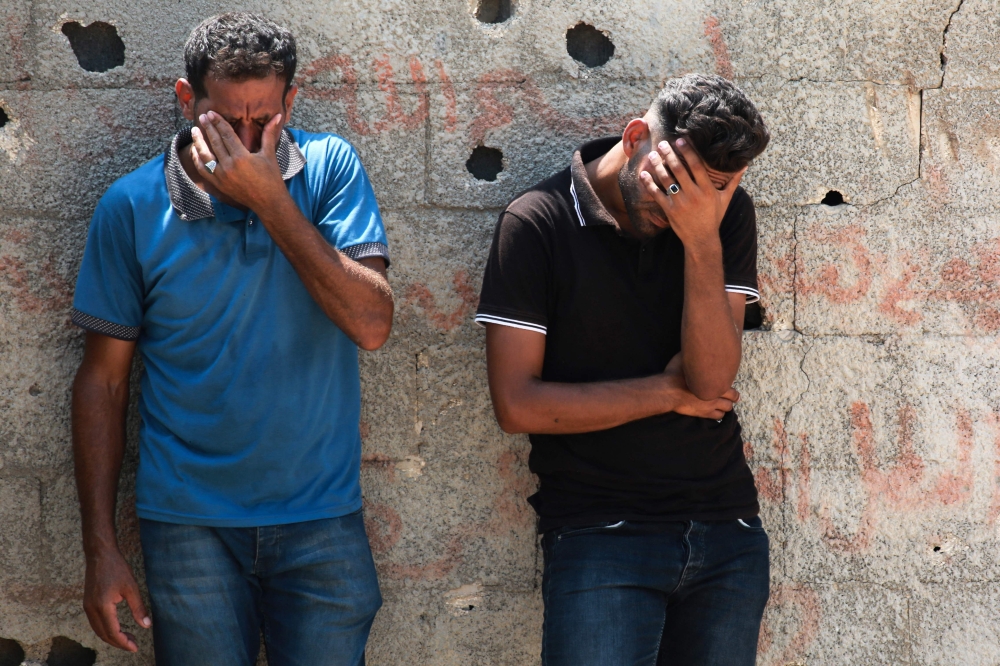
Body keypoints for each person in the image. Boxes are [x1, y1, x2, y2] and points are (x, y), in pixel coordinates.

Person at [70, 13, 392, 665]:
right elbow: (103, 382)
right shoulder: (130, 206)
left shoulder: (329, 169)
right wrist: (101, 548)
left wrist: (273, 203)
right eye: (226, 120)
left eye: (263, 120)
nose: (246, 142)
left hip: (321, 517)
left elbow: (371, 324)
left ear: (292, 102)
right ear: (187, 100)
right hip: (189, 525)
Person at [476, 73, 771, 666]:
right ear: (636, 137)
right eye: (674, 183)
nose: (685, 203)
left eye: (711, 189)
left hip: (724, 530)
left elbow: (711, 382)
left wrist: (703, 241)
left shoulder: (721, 215)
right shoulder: (536, 224)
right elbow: (517, 405)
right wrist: (665, 392)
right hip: (599, 534)